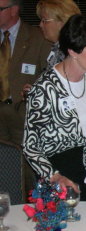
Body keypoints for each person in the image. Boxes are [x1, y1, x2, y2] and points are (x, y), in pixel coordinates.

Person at [23, 15, 86, 201]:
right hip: (60, 175)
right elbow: (30, 147)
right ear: (73, 51)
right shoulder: (44, 89)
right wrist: (54, 176)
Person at [0, 0, 51, 145]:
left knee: (25, 162)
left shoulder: (39, 37)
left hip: (23, 114)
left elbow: (49, 74)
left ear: (13, 10)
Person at [36, 0, 81, 71]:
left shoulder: (69, 53)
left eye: (45, 20)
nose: (40, 25)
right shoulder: (58, 48)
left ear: (62, 22)